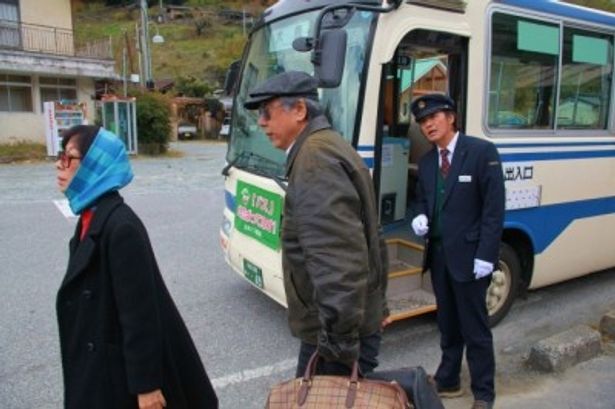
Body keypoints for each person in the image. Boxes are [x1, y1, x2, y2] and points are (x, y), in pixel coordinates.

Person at [55, 125, 218, 409]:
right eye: (60, 155)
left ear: (96, 164)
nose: (60, 165)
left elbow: (140, 315)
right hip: (101, 365)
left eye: (70, 157)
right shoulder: (90, 216)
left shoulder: (120, 226)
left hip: (117, 376)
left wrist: (147, 386)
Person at [244, 71, 390, 376]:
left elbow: (337, 261)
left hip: (335, 336)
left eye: (266, 112)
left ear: (299, 110)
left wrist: (338, 345)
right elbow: (368, 238)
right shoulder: (325, 145)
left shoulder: (315, 159)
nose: (261, 123)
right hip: (345, 324)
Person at [410, 94, 505, 409]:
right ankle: (448, 379)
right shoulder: (426, 162)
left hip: (470, 258)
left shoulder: (480, 152)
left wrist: (486, 255)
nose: (428, 125)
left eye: (433, 118)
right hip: (439, 258)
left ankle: (483, 393)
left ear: (451, 117)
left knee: (475, 328)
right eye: (423, 122)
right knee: (448, 324)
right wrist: (420, 216)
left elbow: (493, 210)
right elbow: (424, 199)